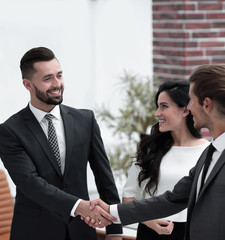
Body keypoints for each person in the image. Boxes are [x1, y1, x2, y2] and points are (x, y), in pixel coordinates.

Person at [84, 64, 225, 240]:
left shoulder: (205, 150)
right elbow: (172, 199)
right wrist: (111, 211)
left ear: (206, 104)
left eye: (191, 100)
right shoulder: (210, 154)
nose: (189, 107)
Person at [0, 47, 122, 240]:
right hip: (34, 233)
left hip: (82, 233)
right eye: (47, 78)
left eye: (59, 75)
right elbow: (30, 183)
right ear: (27, 84)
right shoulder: (10, 131)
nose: (57, 84)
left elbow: (104, 177)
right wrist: (78, 206)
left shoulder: (85, 120)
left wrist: (115, 231)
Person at [122, 80, 209, 240]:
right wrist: (149, 221)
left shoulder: (208, 152)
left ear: (185, 110)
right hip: (149, 233)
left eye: (164, 106)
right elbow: (129, 196)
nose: (156, 113)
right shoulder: (149, 148)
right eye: (157, 106)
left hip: (191, 233)